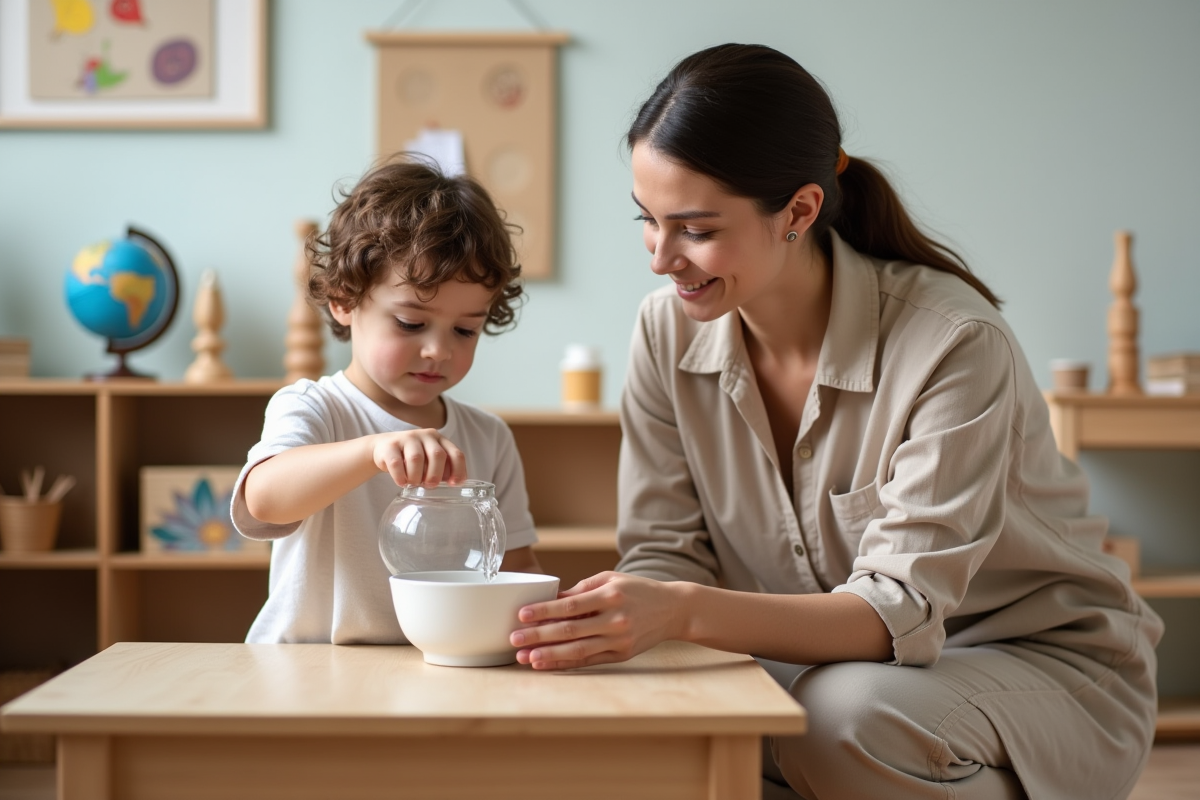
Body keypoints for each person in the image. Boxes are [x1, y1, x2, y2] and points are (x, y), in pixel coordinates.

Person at [508, 44, 1163, 799]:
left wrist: (679, 611)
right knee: (672, 720)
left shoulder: (953, 342)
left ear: (799, 210)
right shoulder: (665, 331)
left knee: (832, 719)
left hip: (1038, 670)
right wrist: (627, 624)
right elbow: (664, 553)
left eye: (694, 229)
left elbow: (894, 613)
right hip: (839, 675)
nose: (661, 258)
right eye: (647, 221)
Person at [233, 159, 541, 645]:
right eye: (411, 323)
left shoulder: (489, 437)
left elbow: (514, 566)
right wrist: (372, 450)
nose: (439, 349)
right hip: (305, 672)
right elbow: (264, 500)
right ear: (343, 299)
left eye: (465, 329)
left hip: (433, 674)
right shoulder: (314, 408)